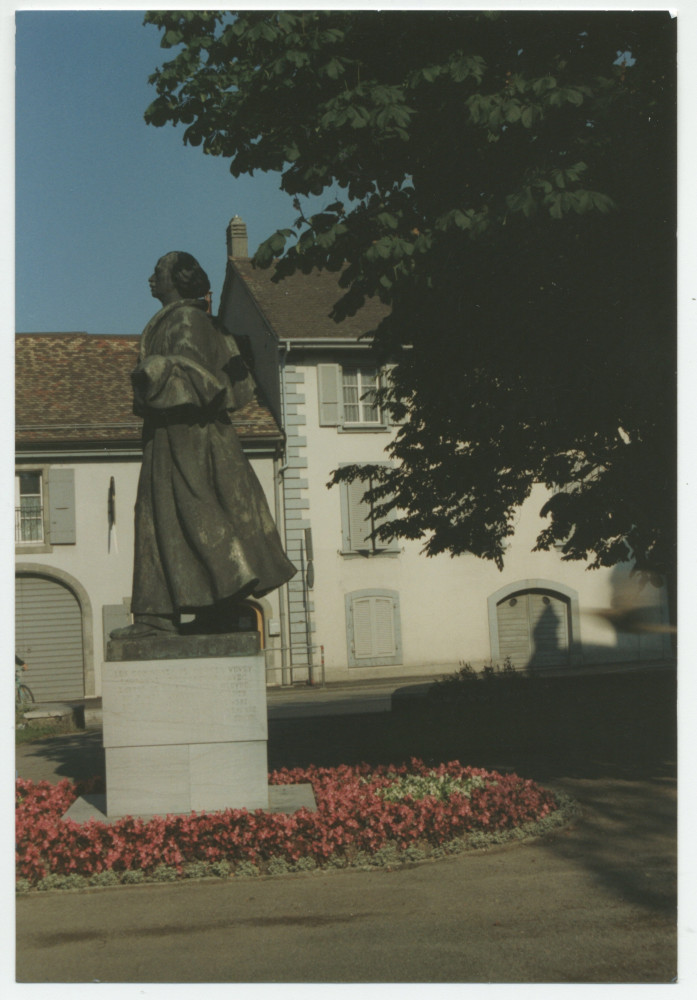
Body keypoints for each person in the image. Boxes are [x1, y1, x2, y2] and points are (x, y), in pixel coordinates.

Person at [111, 251, 296, 639]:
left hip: (185, 434)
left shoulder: (187, 320)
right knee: (165, 517)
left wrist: (153, 370)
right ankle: (190, 610)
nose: (150, 278)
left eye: (157, 272)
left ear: (178, 279)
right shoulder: (184, 319)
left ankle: (167, 613)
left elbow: (195, 377)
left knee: (181, 513)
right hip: (175, 433)